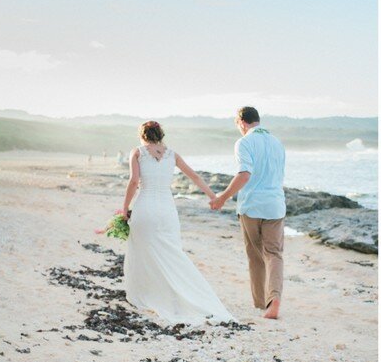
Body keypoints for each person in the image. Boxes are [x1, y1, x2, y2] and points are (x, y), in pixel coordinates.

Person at [117, 121, 236, 325]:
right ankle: (175, 295)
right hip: (167, 210)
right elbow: (195, 177)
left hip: (145, 207)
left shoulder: (137, 152)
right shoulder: (172, 154)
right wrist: (214, 197)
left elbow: (134, 182)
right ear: (161, 135)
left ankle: (148, 293)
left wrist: (125, 207)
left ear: (142, 136)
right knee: (172, 251)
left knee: (143, 251)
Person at [211, 106, 286, 320]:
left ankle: (261, 303)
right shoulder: (277, 142)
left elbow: (244, 174)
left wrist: (222, 197)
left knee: (255, 255)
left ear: (242, 122)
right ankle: (274, 301)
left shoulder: (244, 142)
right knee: (274, 254)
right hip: (275, 205)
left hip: (252, 206)